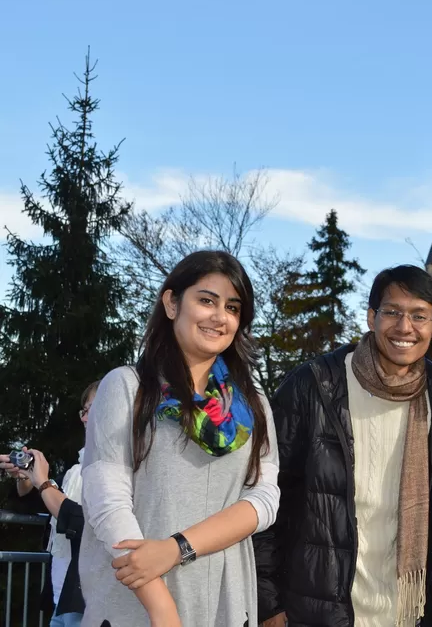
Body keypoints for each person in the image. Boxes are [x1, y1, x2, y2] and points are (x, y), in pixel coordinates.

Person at [78, 250, 280, 627]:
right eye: (206, 300)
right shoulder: (127, 387)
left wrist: (177, 548)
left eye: (233, 307)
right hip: (138, 602)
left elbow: (264, 499)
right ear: (171, 303)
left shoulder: (253, 406)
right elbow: (107, 500)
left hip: (226, 602)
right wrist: (161, 609)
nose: (220, 317)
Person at [254, 265, 432, 627]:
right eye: (392, 312)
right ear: (371, 317)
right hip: (318, 609)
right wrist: (268, 604)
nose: (404, 327)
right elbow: (265, 495)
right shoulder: (315, 385)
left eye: (419, 316)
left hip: (406, 611)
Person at [0, 380, 100, 627]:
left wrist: (43, 482)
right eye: (83, 411)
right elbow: (55, 504)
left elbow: (78, 519)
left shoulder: (113, 469)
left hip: (89, 601)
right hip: (63, 595)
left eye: (91, 410)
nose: (84, 419)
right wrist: (29, 479)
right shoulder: (77, 470)